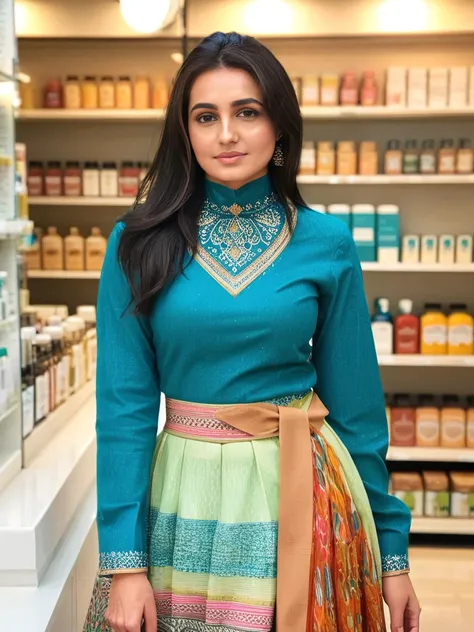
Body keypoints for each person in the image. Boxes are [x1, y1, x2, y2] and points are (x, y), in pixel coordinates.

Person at [84, 31, 421, 632]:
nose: (227, 134)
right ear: (184, 131)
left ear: (279, 124)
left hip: (311, 491)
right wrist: (124, 566)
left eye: (248, 111)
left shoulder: (327, 243)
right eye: (205, 116)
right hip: (185, 498)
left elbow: (360, 412)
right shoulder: (136, 244)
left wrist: (391, 555)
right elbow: (124, 410)